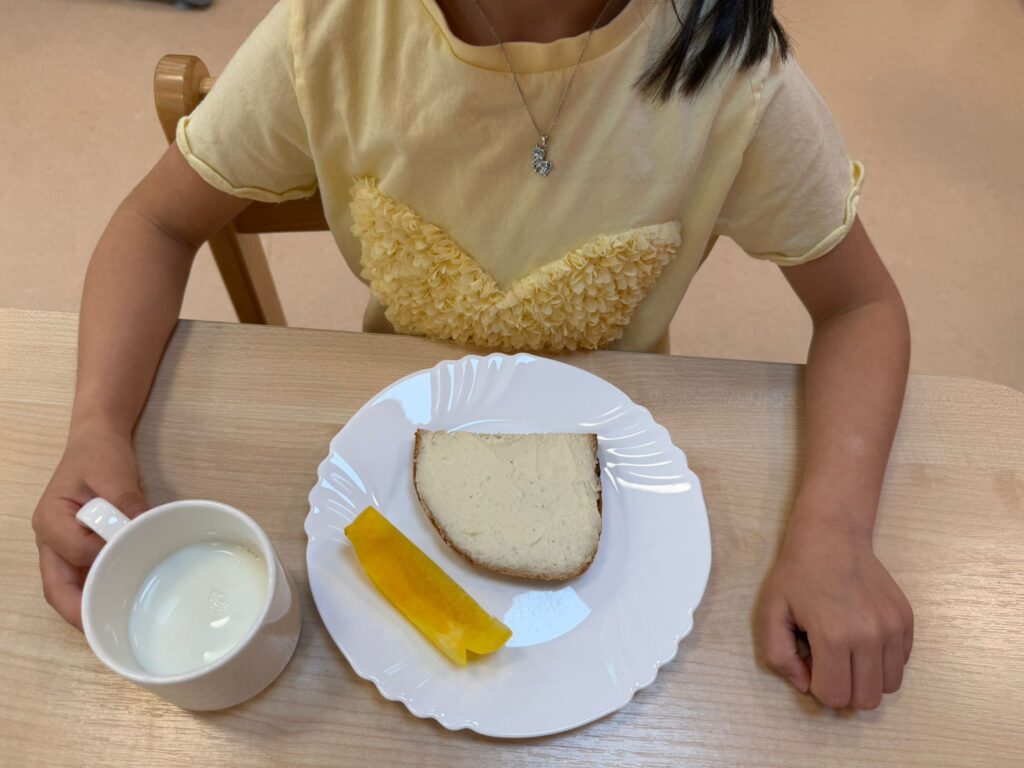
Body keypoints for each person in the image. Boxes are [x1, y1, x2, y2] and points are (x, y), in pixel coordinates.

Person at [32, 0, 913, 711]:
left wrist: (833, 532)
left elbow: (862, 307)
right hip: (384, 455)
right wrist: (97, 425)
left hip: (619, 472)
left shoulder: (733, 75)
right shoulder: (330, 29)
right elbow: (155, 222)